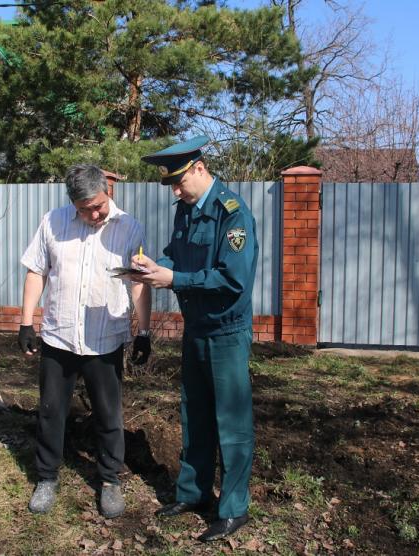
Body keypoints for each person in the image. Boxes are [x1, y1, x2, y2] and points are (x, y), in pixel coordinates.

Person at [127, 136, 258, 542]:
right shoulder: (186, 211)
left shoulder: (231, 214)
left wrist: (174, 278)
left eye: (180, 182)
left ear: (199, 169)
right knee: (195, 415)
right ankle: (194, 494)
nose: (177, 191)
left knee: (231, 424)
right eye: (172, 185)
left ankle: (234, 508)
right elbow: (175, 256)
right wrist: (152, 266)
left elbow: (232, 280)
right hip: (196, 330)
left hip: (227, 332)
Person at [18, 164, 152, 518]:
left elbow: (139, 281)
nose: (93, 214)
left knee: (108, 415)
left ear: (108, 190)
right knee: (50, 412)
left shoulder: (129, 227)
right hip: (59, 336)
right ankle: (46, 477)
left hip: (105, 340)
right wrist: (26, 322)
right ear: (72, 204)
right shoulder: (53, 223)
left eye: (98, 205)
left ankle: (110, 481)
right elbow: (36, 271)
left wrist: (144, 331)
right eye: (84, 209)